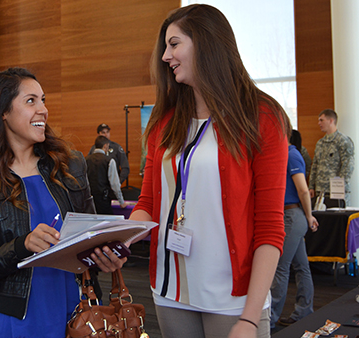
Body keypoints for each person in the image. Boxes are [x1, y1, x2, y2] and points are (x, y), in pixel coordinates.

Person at [128, 4, 290, 338]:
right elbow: (147, 203)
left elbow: (270, 227)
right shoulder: (165, 122)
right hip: (170, 291)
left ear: (206, 42)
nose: (165, 56)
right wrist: (116, 239)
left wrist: (248, 318)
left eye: (174, 44)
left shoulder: (261, 118)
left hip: (232, 300)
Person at [0, 68, 125, 338]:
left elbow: (92, 234)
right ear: (3, 111)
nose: (43, 110)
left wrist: (106, 255)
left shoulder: (70, 163)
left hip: (78, 309)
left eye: (43, 100)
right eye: (31, 101)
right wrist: (22, 246)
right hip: (18, 316)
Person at [270, 129, 319, 329]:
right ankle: (303, 311)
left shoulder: (292, 155)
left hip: (292, 215)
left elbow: (302, 189)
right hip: (289, 215)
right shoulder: (284, 154)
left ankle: (269, 319)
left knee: (281, 267)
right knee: (301, 267)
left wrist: (309, 216)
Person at [309, 109, 354, 207]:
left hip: (337, 193)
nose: (319, 123)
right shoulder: (320, 143)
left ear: (331, 121)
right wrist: (311, 186)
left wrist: (338, 187)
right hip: (320, 193)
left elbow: (348, 167)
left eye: (321, 120)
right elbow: (315, 166)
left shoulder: (343, 141)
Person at [86, 136, 127, 214]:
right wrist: (121, 202)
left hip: (89, 202)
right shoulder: (109, 161)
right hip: (103, 201)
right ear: (105, 146)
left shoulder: (85, 160)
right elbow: (115, 184)